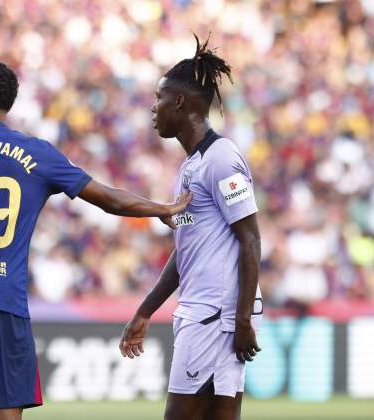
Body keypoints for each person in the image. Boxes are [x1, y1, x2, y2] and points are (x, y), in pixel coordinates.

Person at [0, 60, 191, 420]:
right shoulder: (38, 153)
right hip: (4, 300)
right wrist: (159, 208)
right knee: (5, 414)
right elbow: (108, 199)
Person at [119, 34, 263, 420]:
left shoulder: (221, 158)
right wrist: (146, 309)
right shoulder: (190, 168)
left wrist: (242, 318)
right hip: (207, 310)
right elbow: (186, 252)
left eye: (158, 98)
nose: (153, 108)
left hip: (215, 313)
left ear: (179, 101)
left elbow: (250, 239)